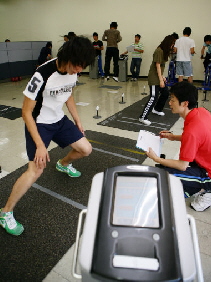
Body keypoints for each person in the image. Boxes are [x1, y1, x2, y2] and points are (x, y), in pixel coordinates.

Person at [0, 36, 96, 236]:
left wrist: (77, 120)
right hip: (39, 124)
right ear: (68, 57)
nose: (79, 71)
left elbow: (68, 93)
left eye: (82, 67)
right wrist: (40, 145)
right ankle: (5, 212)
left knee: (86, 149)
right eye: (77, 66)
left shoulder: (73, 71)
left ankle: (62, 164)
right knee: (36, 170)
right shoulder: (42, 74)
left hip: (59, 120)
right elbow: (26, 113)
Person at [146, 81, 211, 212]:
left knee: (166, 175)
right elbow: (198, 139)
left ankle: (207, 190)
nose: (169, 103)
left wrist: (156, 159)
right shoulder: (201, 112)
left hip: (208, 172)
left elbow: (182, 165)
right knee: (166, 167)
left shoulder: (192, 130)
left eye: (173, 100)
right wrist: (173, 137)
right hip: (205, 160)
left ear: (185, 103)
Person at [139, 35, 175, 126]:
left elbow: (161, 67)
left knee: (166, 93)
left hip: (159, 77)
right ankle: (142, 117)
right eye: (172, 44)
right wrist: (160, 80)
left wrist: (162, 77)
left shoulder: (163, 51)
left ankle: (157, 109)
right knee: (153, 97)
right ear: (168, 43)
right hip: (154, 78)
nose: (172, 46)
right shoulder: (159, 51)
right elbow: (157, 66)